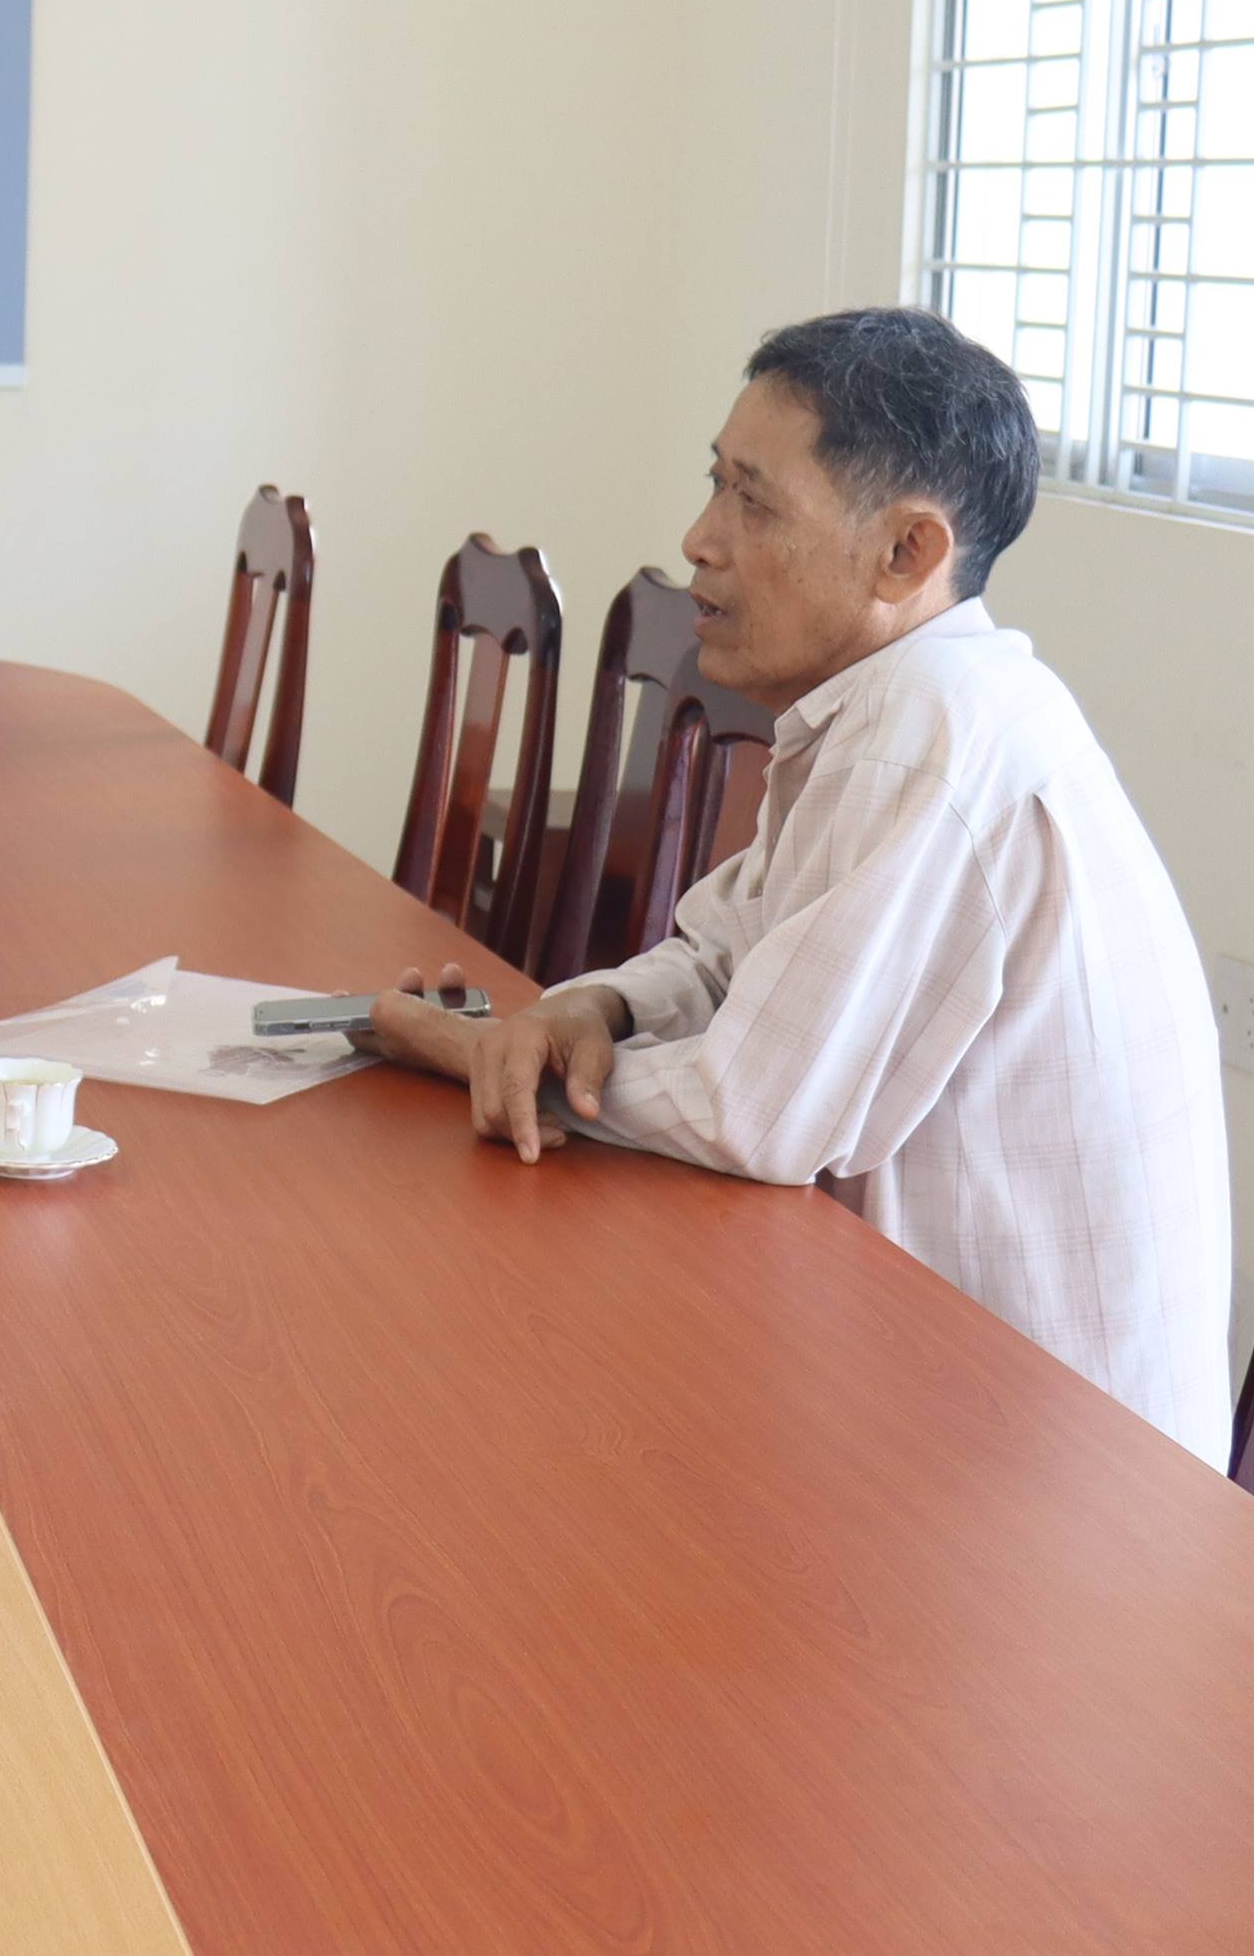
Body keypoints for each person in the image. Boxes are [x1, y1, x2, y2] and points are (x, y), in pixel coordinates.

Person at [370, 307, 1230, 1462]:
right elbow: (724, 947)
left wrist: (483, 1057)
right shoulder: (900, 700)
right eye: (714, 484)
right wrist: (591, 1008)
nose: (699, 539)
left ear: (905, 554)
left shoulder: (928, 730)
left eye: (754, 502)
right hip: (935, 1394)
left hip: (1057, 1486)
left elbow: (754, 1115)